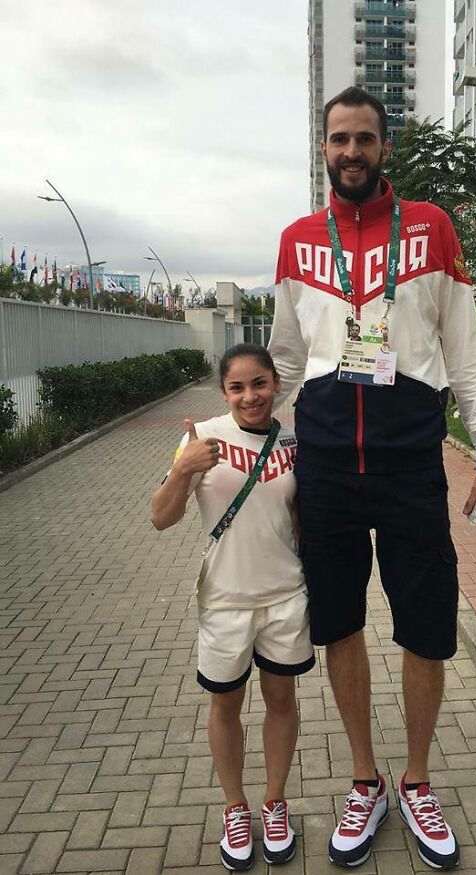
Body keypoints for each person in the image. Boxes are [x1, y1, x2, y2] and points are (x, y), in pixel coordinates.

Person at [269, 86, 476, 870]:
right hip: (327, 464)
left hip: (410, 461)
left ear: (384, 147)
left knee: (426, 627)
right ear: (323, 147)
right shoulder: (298, 242)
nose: (351, 151)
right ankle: (364, 779)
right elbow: (285, 358)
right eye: (338, 139)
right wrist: (246, 440)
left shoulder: (433, 228)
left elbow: (465, 350)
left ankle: (417, 779)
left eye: (364, 138)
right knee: (339, 624)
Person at [150, 343, 314, 872]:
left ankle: (274, 803)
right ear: (223, 392)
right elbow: (160, 518)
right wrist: (182, 470)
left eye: (259, 384)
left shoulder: (292, 440)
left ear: (275, 385)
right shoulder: (202, 438)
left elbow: (300, 517)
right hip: (225, 600)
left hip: (285, 596)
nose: (250, 396)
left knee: (281, 701)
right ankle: (235, 808)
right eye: (237, 387)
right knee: (225, 705)